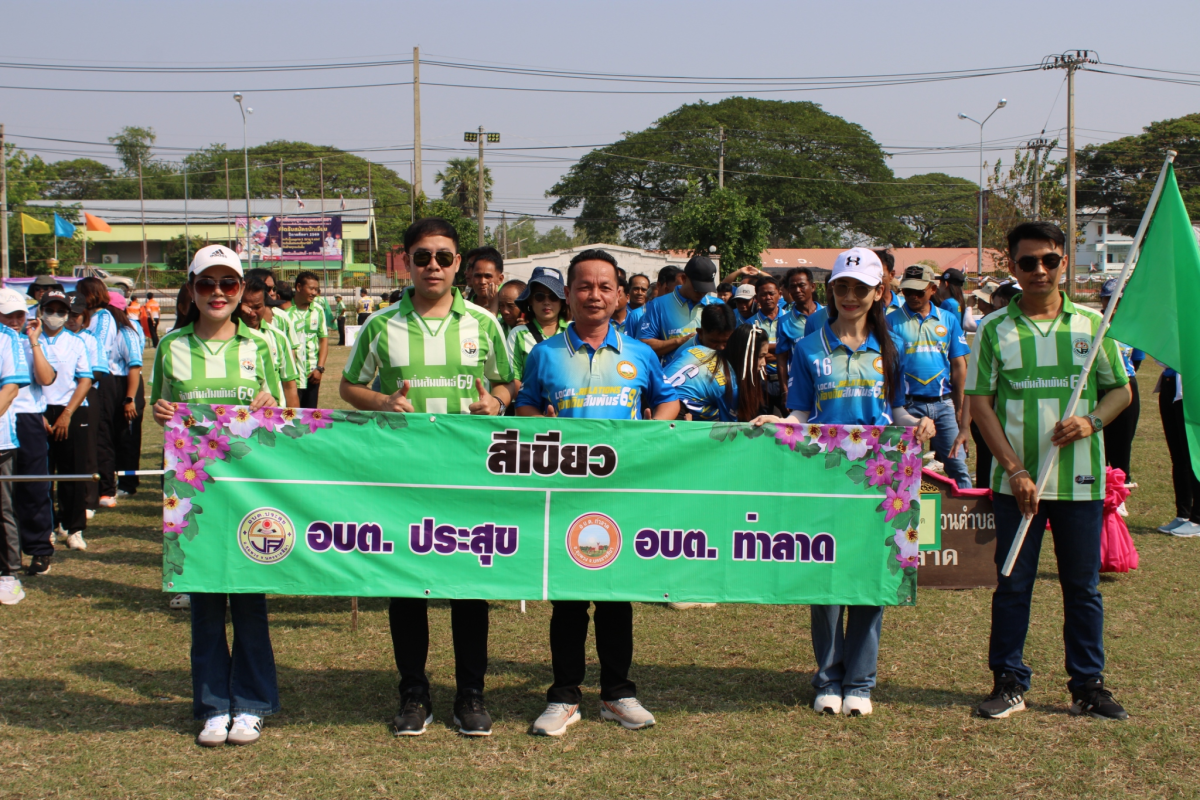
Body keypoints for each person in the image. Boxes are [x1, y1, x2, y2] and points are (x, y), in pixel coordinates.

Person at [340, 218, 517, 738]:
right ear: (405, 262)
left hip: (468, 474)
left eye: (443, 256)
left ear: (458, 263)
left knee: (469, 586)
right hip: (404, 474)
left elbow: (507, 383)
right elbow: (351, 388)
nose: (433, 266)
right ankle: (414, 693)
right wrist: (383, 401)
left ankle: (471, 693)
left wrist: (496, 402)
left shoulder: (484, 325)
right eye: (422, 257)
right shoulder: (381, 324)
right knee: (408, 587)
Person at [754, 248, 934, 718]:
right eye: (842, 287)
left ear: (878, 293)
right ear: (830, 291)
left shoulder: (890, 348)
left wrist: (917, 423)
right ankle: (828, 678)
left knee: (873, 578)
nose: (850, 296)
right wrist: (777, 419)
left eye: (860, 288)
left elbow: (896, 411)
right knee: (826, 577)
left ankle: (861, 682)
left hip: (881, 480)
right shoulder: (810, 347)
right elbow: (799, 411)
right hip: (825, 476)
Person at [966, 221, 1132, 721]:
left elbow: (1120, 390)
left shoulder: (1092, 325)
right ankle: (1009, 681)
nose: (1039, 271)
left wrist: (1091, 421)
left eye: (1049, 260)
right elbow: (980, 405)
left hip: (1080, 482)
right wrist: (1014, 469)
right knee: (1013, 583)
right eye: (1027, 262)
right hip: (1017, 486)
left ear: (1064, 261)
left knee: (1082, 588)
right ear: (1012, 268)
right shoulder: (995, 329)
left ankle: (1088, 686)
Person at [516, 248, 679, 736]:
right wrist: (544, 430)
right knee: (567, 599)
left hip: (621, 495)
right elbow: (524, 408)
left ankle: (618, 694)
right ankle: (564, 697)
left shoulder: (640, 353)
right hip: (565, 493)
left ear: (620, 296)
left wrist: (648, 437)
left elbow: (668, 402)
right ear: (567, 294)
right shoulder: (545, 354)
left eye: (605, 287)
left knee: (615, 597)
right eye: (584, 286)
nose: (594, 295)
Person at [150, 244, 284, 747]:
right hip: (190, 491)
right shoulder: (172, 346)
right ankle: (211, 705)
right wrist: (163, 415)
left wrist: (272, 405)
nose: (219, 293)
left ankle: (250, 704)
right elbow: (160, 411)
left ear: (241, 289)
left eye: (229, 284)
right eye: (207, 284)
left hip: (248, 488)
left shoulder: (262, 345)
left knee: (249, 598)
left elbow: (281, 419)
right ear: (191, 290)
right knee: (205, 599)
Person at [887, 264, 972, 489]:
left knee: (958, 467)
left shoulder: (948, 319)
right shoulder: (891, 321)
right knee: (900, 468)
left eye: (919, 291)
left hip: (944, 405)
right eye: (907, 291)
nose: (913, 297)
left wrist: (960, 406)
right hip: (905, 407)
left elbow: (958, 365)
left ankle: (962, 518)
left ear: (932, 289)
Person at [37, 291, 93, 558]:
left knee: (74, 473)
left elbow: (84, 380)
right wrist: (39, 415)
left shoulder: (76, 342)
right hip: (38, 411)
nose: (56, 316)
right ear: (41, 310)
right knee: (41, 474)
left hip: (72, 409)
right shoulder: (30, 341)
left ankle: (74, 529)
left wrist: (67, 413)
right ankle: (46, 526)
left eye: (62, 311)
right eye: (51, 310)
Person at [0, 288, 51, 576]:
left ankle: (40, 549)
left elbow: (46, 379)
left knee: (33, 487)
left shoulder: (30, 342)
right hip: (4, 421)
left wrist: (34, 343)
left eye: (19, 314)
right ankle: (8, 557)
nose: (14, 320)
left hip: (28, 417)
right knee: (5, 495)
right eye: (8, 315)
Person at [665, 304, 765, 423]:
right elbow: (728, 429)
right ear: (700, 333)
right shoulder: (728, 384)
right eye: (714, 341)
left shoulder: (691, 351)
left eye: (726, 342)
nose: (721, 347)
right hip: (674, 412)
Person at [75, 277, 121, 510]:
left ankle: (106, 489)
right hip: (84, 381)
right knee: (88, 437)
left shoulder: (103, 318)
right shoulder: (88, 317)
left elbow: (98, 350)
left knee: (101, 435)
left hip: (100, 380)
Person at [0, 291, 30, 606]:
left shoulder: (7, 339)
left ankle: (9, 572)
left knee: (2, 508)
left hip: (1, 442)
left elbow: (10, 388)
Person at [637, 255, 723, 363]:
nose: (702, 293)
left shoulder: (718, 306)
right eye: (698, 287)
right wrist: (679, 342)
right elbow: (643, 345)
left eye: (705, 289)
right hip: (672, 376)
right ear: (683, 278)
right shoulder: (658, 305)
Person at [1096, 278, 1140, 489]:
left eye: (1118, 299)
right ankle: (1100, 485)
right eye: (1108, 299)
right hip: (1097, 386)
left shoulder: (1132, 325)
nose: (1113, 304)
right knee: (1099, 438)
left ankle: (1121, 486)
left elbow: (1137, 358)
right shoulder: (1094, 322)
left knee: (1123, 439)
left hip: (1126, 384)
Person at [66, 296, 101, 532]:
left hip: (84, 400)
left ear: (84, 317)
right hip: (53, 405)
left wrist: (77, 387)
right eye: (66, 314)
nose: (70, 319)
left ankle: (88, 501)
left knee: (86, 454)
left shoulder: (89, 340)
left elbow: (96, 371)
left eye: (75, 315)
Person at [105, 293, 145, 501]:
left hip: (128, 383)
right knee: (111, 435)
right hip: (112, 384)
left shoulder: (128, 330)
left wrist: (129, 398)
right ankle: (112, 480)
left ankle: (128, 482)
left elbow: (135, 365)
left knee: (128, 437)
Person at [240, 275, 301, 408]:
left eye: (257, 307)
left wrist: (293, 424)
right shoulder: (229, 338)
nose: (251, 313)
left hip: (273, 418)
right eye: (247, 307)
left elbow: (289, 386)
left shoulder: (278, 337)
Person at [507, 268, 567, 380]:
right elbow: (513, 380)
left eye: (553, 296)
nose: (547, 302)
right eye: (540, 296)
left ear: (562, 300)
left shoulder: (574, 330)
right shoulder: (518, 335)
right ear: (530, 300)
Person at [775, 267, 825, 396]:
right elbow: (781, 359)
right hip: (800, 385)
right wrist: (785, 391)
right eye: (793, 286)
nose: (797, 290)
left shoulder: (829, 315)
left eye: (801, 285)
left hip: (828, 382)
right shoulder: (784, 321)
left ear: (812, 286)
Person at [291, 271, 328, 409]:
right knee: (291, 415)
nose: (314, 293)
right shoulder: (286, 311)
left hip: (312, 374)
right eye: (311, 288)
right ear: (299, 287)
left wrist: (320, 368)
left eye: (316, 289)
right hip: (292, 375)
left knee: (310, 416)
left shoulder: (318, 310)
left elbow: (323, 340)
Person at [465, 247, 504, 317]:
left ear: (500, 279)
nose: (482, 282)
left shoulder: (509, 306)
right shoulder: (464, 307)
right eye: (478, 276)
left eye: (488, 276)